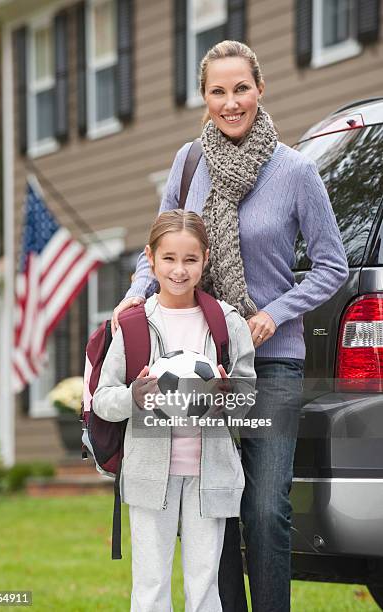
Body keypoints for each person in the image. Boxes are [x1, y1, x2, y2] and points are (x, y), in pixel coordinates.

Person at [111, 41, 349, 612]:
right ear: (205, 97)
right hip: (197, 359)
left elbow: (332, 266)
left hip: (271, 362)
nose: (231, 102)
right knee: (209, 503)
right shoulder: (189, 163)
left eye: (241, 88)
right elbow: (159, 249)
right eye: (218, 91)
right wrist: (131, 300)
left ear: (260, 89)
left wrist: (274, 312)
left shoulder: (294, 172)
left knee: (266, 508)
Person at [93, 209, 256, 612]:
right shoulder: (134, 325)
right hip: (151, 476)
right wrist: (135, 395)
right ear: (150, 258)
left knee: (205, 588)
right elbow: (102, 399)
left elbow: (250, 398)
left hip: (210, 476)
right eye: (168, 259)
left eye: (190, 259)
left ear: (205, 260)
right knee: (150, 588)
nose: (179, 270)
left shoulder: (227, 322)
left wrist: (226, 393)